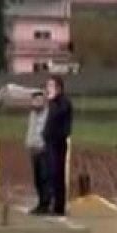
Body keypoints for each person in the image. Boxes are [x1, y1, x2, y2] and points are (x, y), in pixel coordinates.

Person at [41, 75, 73, 216]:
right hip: (49, 142)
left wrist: (52, 100)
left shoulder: (63, 103)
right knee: (48, 174)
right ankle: (48, 203)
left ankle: (59, 207)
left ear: (58, 88)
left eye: (51, 86)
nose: (48, 89)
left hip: (58, 143)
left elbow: (56, 115)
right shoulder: (52, 103)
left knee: (57, 174)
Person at [25, 90, 48, 215]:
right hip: (34, 151)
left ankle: (46, 203)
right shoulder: (32, 114)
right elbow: (31, 131)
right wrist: (29, 144)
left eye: (40, 100)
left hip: (44, 151)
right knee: (37, 179)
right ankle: (41, 203)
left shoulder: (47, 115)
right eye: (35, 100)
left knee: (45, 178)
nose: (37, 102)